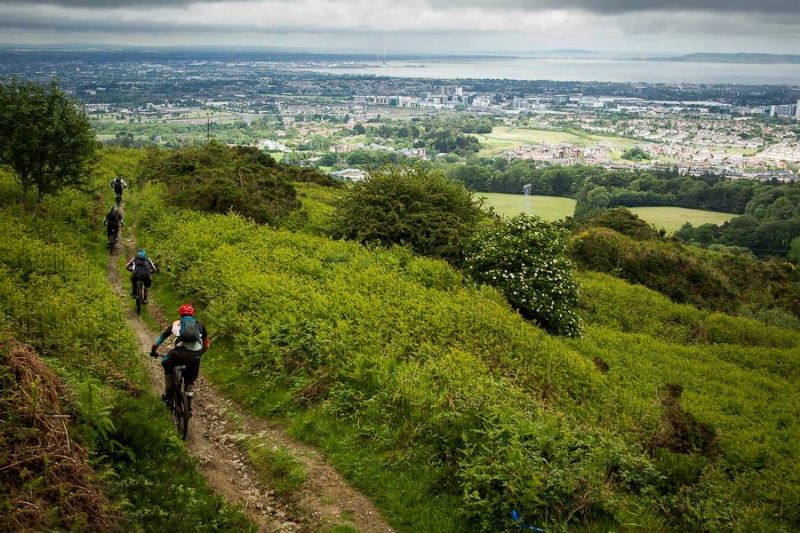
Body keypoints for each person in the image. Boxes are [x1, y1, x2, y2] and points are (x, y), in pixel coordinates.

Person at [150, 304, 210, 405]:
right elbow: (206, 345)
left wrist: (153, 351)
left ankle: (168, 393)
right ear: (193, 314)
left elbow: (160, 339)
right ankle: (189, 394)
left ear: (180, 314)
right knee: (190, 377)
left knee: (166, 362)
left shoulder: (176, 324)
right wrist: (199, 354)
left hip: (179, 354)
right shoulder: (200, 324)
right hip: (196, 355)